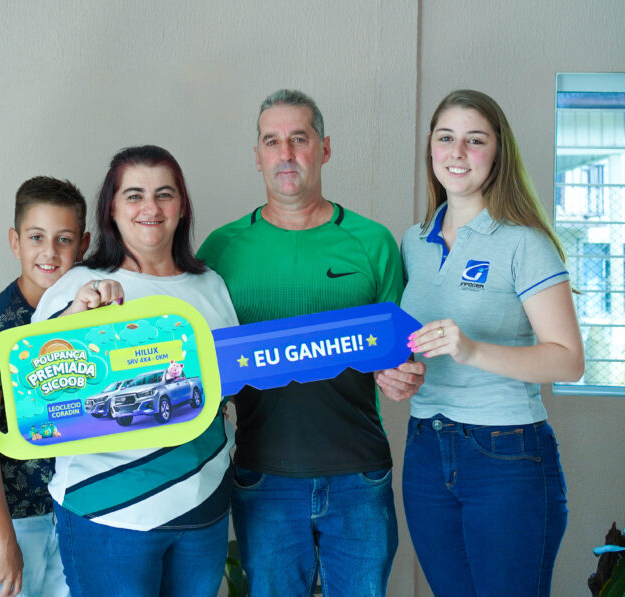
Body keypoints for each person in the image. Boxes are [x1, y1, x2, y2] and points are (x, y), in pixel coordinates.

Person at [196, 89, 425, 596]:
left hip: (359, 477)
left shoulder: (372, 242)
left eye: (299, 138)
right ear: (257, 156)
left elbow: (400, 355)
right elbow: (200, 359)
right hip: (262, 477)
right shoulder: (220, 249)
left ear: (325, 148)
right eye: (272, 141)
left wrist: (403, 375)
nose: (286, 153)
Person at [32, 145, 239, 597]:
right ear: (111, 207)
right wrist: (78, 317)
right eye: (134, 195)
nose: (151, 207)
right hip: (109, 512)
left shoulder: (211, 285)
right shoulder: (77, 286)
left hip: (203, 509)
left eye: (164, 194)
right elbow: (36, 389)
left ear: (182, 206)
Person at [400, 89, 584, 596]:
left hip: (505, 456)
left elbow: (569, 361)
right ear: (431, 147)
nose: (457, 152)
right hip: (425, 447)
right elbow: (413, 344)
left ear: (498, 151)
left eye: (475, 140)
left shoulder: (524, 242)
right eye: (446, 138)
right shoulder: (414, 241)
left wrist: (473, 350)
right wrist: (396, 372)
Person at [0, 176, 92, 597]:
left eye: (63, 239)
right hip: (8, 519)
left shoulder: (90, 316)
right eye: (36, 237)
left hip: (72, 511)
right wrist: (2, 539)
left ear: (83, 245)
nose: (49, 252)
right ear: (15, 242)